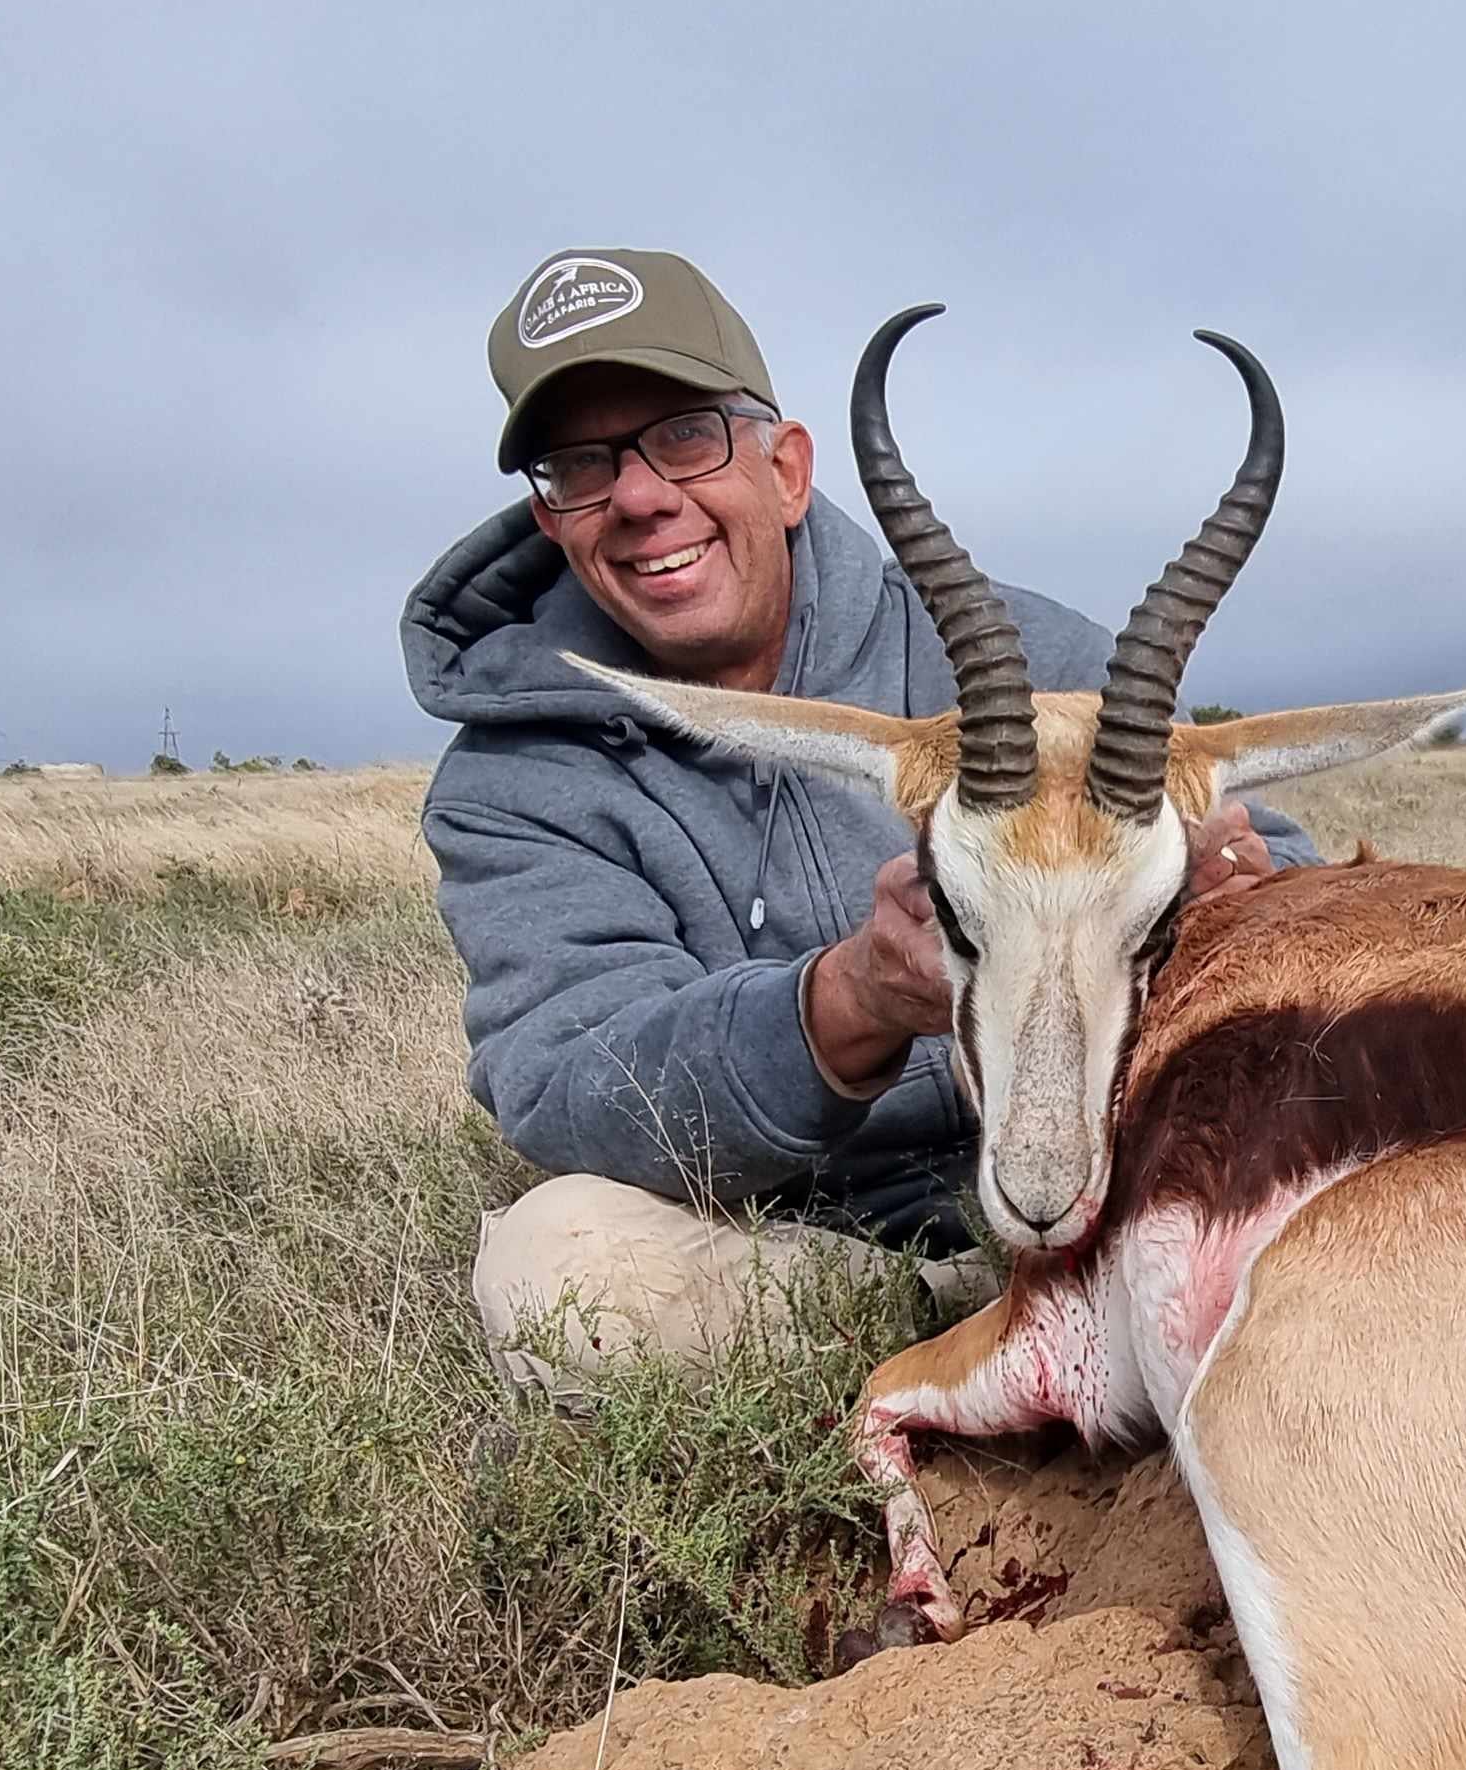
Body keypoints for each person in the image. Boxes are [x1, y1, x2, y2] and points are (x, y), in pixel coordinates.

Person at [403, 246, 1314, 1379]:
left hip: (1105, 1176)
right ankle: (969, 1331)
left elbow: (1276, 858)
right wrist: (851, 1000)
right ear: (553, 521)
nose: (641, 497)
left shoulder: (1026, 658)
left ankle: (1092, 1322)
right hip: (800, 1242)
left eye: (684, 436)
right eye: (579, 467)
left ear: (785, 468)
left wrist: (1215, 895)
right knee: (560, 1273)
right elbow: (565, 1081)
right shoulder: (512, 778)